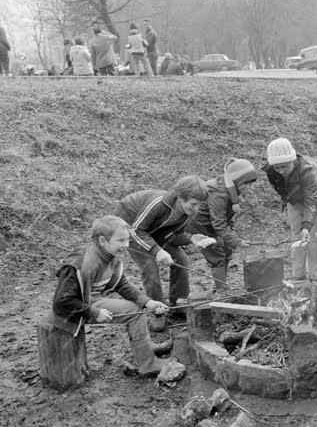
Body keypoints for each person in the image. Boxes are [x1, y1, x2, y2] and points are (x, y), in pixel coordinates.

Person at [50, 216, 172, 376]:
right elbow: (62, 301)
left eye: (128, 240)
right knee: (134, 312)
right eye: (121, 240)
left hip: (92, 300)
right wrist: (94, 312)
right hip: (76, 310)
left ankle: (146, 347)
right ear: (102, 240)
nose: (126, 245)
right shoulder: (80, 264)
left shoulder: (110, 257)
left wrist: (147, 302)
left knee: (139, 307)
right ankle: (148, 364)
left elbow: (121, 284)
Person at [115, 175, 211, 331]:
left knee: (181, 259)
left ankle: (178, 303)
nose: (196, 209)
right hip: (130, 227)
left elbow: (172, 236)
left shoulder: (186, 212)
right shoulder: (159, 204)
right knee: (150, 267)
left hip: (152, 231)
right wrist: (157, 250)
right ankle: (157, 311)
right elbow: (136, 231)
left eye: (199, 205)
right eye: (193, 204)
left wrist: (191, 238)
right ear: (181, 197)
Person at [263, 138, 317, 281]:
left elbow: (312, 201)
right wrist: (291, 199)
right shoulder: (271, 171)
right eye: (277, 168)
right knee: (297, 236)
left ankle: (316, 275)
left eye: (284, 166)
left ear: (293, 160)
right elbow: (280, 189)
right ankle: (298, 274)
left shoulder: (308, 171)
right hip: (294, 199)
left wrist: (306, 226)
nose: (281, 171)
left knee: (314, 237)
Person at [186, 159, 258, 290]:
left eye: (250, 184)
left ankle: (221, 284)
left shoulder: (231, 189)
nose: (249, 187)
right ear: (236, 180)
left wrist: (232, 238)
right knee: (216, 251)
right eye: (246, 183)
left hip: (212, 224)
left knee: (227, 248)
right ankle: (221, 290)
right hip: (200, 225)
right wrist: (237, 241)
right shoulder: (220, 194)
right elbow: (219, 224)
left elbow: (226, 217)